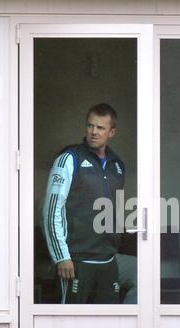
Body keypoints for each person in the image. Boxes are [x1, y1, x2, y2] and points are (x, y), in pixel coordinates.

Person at [42, 103, 125, 304]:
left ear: (111, 132)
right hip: (75, 262)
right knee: (68, 327)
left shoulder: (117, 166)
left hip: (108, 261)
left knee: (108, 327)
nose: (94, 132)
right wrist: (61, 256)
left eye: (100, 128)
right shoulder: (69, 159)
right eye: (90, 126)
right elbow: (51, 210)